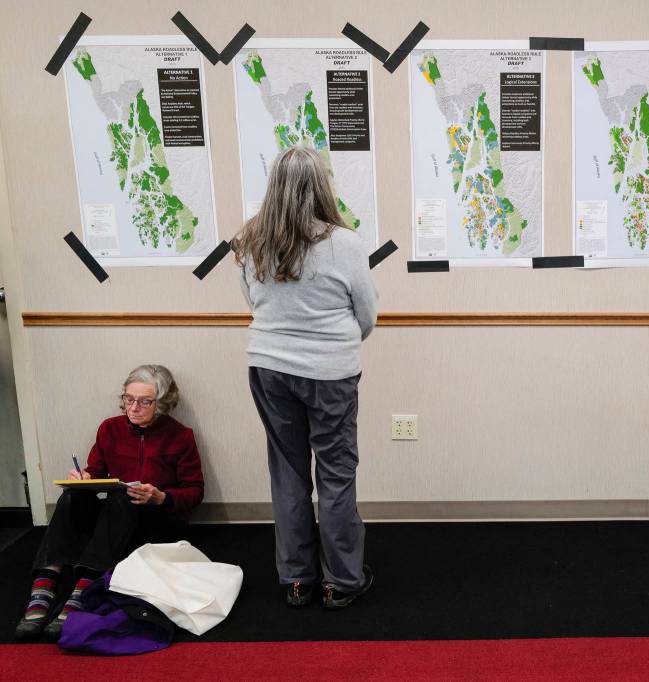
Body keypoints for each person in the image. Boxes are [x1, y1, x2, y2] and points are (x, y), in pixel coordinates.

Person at [234, 145, 377, 609]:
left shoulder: (250, 241)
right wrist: (335, 344)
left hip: (269, 368)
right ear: (321, 186)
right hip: (330, 373)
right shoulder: (346, 243)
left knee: (288, 473)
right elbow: (367, 314)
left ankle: (297, 580)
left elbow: (254, 304)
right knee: (336, 473)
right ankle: (340, 581)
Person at [15, 364, 204, 640]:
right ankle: (44, 585)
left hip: (155, 522)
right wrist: (84, 478)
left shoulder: (180, 436)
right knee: (73, 495)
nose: (133, 407)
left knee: (123, 499)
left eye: (145, 401)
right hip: (115, 521)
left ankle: (84, 589)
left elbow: (195, 491)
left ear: (162, 403)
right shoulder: (109, 429)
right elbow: (96, 472)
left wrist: (161, 497)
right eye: (129, 398)